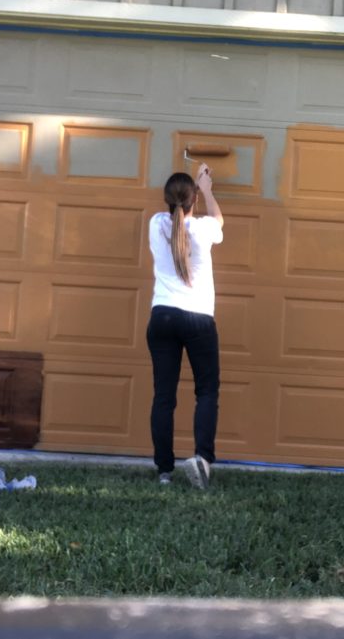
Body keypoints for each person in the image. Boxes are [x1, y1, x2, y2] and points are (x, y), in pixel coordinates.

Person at [147, 163, 224, 489]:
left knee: (164, 396)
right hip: (197, 318)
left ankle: (165, 471)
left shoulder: (156, 224)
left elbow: (178, 214)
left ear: (167, 199)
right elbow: (220, 223)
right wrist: (206, 187)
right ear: (193, 199)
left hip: (162, 316)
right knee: (206, 391)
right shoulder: (204, 229)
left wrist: (191, 188)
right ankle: (202, 460)